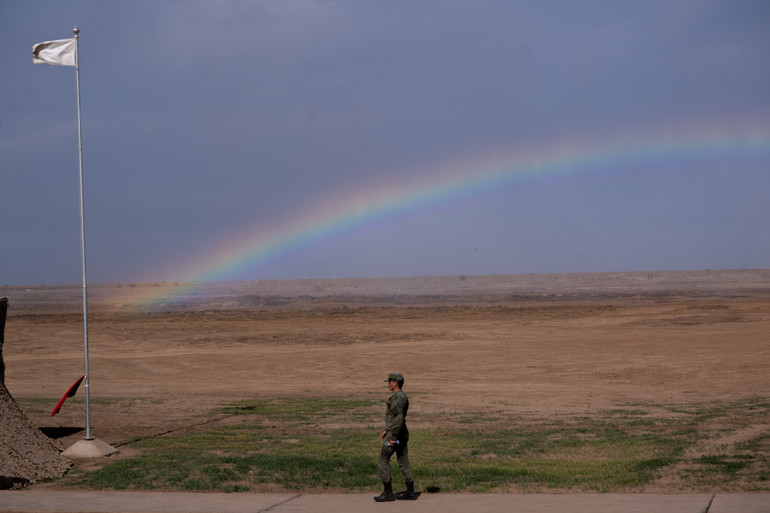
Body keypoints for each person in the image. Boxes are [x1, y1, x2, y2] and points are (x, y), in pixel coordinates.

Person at [374, 372, 418, 502]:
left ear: (395, 383)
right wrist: (387, 430)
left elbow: (398, 418)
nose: (388, 384)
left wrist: (392, 437)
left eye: (390, 381)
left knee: (382, 460)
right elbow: (396, 419)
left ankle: (388, 492)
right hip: (401, 435)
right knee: (403, 461)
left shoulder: (397, 398)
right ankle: (410, 491)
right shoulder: (402, 396)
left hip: (395, 436)